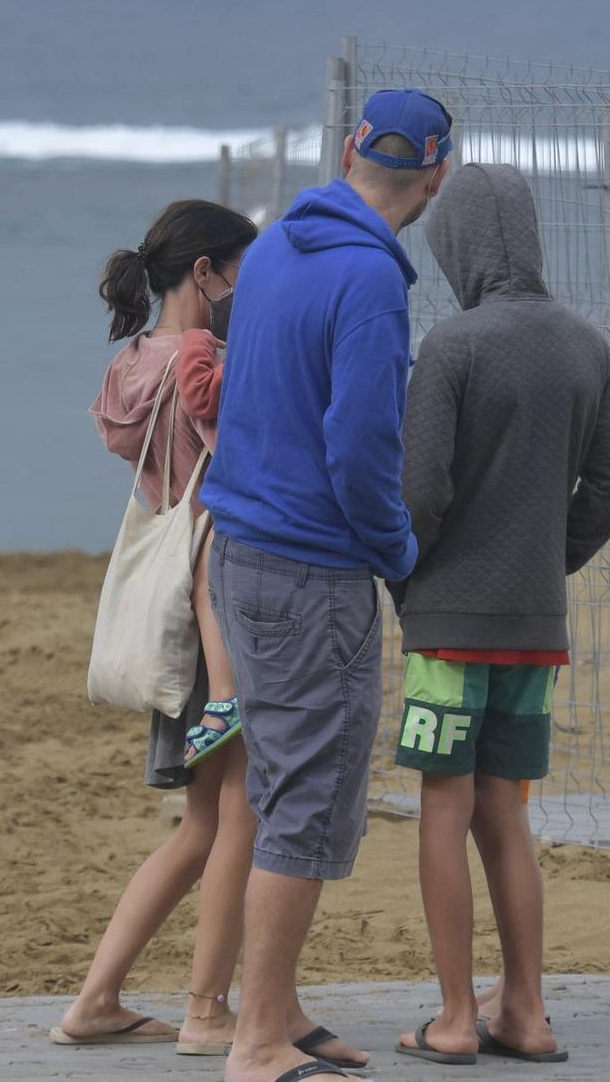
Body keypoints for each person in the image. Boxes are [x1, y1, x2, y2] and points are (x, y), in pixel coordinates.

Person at [202, 88, 456, 1082]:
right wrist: (399, 556)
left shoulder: (270, 247)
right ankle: (254, 1037)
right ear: (433, 177)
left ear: (350, 148)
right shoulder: (366, 278)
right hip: (311, 566)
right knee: (308, 799)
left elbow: (256, 384)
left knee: (274, 785)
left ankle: (274, 1005)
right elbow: (360, 450)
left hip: (240, 550)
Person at [390, 164, 610, 1067]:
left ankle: (454, 1018)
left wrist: (409, 585)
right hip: (537, 625)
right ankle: (526, 1012)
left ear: (455, 248)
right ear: (528, 238)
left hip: (447, 624)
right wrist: (543, 566)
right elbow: (605, 490)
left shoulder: (452, 347)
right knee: (508, 815)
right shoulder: (587, 345)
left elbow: (419, 492)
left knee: (442, 807)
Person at [52, 198, 258, 1056]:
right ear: (204, 274)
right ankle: (209, 1012)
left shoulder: (135, 358)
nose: (248, 289)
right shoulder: (201, 357)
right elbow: (234, 471)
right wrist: (230, 686)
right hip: (216, 625)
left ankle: (97, 998)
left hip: (168, 612)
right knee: (238, 818)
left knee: (200, 826)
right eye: (238, 273)